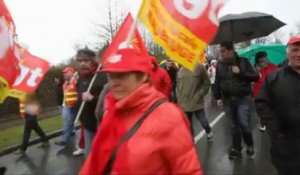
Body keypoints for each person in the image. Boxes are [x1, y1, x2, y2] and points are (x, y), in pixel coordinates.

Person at [79, 48, 202, 175]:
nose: (113, 83)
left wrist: (164, 95)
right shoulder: (110, 109)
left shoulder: (168, 116)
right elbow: (95, 159)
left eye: (121, 75)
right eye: (110, 76)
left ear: (142, 76)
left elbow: (188, 170)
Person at [255, 36, 300, 175]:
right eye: (295, 50)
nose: (298, 54)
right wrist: (277, 134)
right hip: (286, 146)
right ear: (287, 53)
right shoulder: (274, 78)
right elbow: (262, 104)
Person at [213, 42, 259, 159]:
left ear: (231, 51)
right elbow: (217, 81)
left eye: (223, 51)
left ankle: (249, 144)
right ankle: (237, 149)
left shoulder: (243, 61)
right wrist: (217, 97)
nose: (221, 53)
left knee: (243, 123)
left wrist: (241, 73)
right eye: (220, 51)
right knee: (233, 126)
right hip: (228, 100)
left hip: (243, 98)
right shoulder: (220, 65)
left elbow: (255, 77)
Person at [75, 48, 107, 157]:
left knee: (104, 156)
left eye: (86, 60)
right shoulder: (80, 77)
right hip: (88, 125)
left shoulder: (102, 75)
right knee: (90, 157)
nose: (82, 64)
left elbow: (111, 99)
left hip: (102, 125)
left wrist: (93, 98)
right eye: (79, 61)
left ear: (93, 61)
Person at [177, 63, 213, 141]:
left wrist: (200, 94)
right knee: (188, 125)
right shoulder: (180, 70)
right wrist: (178, 100)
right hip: (184, 103)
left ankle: (208, 130)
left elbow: (207, 83)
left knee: (202, 120)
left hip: (196, 101)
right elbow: (178, 86)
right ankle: (191, 141)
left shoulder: (199, 67)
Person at [253, 51, 278, 132]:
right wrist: (257, 72)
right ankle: (263, 122)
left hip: (271, 92)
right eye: (262, 59)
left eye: (265, 57)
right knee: (261, 109)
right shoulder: (254, 69)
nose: (265, 60)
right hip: (259, 92)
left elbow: (278, 75)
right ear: (258, 60)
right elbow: (251, 79)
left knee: (272, 108)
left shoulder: (272, 66)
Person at [55, 67, 78, 146]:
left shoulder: (76, 80)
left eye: (66, 72)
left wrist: (75, 78)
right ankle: (65, 138)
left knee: (69, 120)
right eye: (64, 73)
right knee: (67, 120)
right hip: (66, 105)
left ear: (71, 73)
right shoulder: (64, 83)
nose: (64, 74)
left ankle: (68, 135)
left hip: (75, 105)